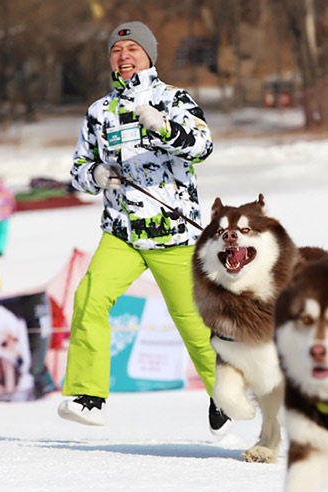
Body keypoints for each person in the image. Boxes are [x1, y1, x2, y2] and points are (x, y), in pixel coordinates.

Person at [57, 21, 228, 434]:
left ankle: (226, 394)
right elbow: (78, 170)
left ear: (149, 55)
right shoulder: (100, 112)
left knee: (193, 321)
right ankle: (88, 395)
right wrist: (95, 175)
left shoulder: (174, 99)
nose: (124, 56)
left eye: (132, 49)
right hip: (122, 234)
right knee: (89, 299)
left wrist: (163, 126)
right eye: (117, 51)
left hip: (172, 235)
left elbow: (203, 147)